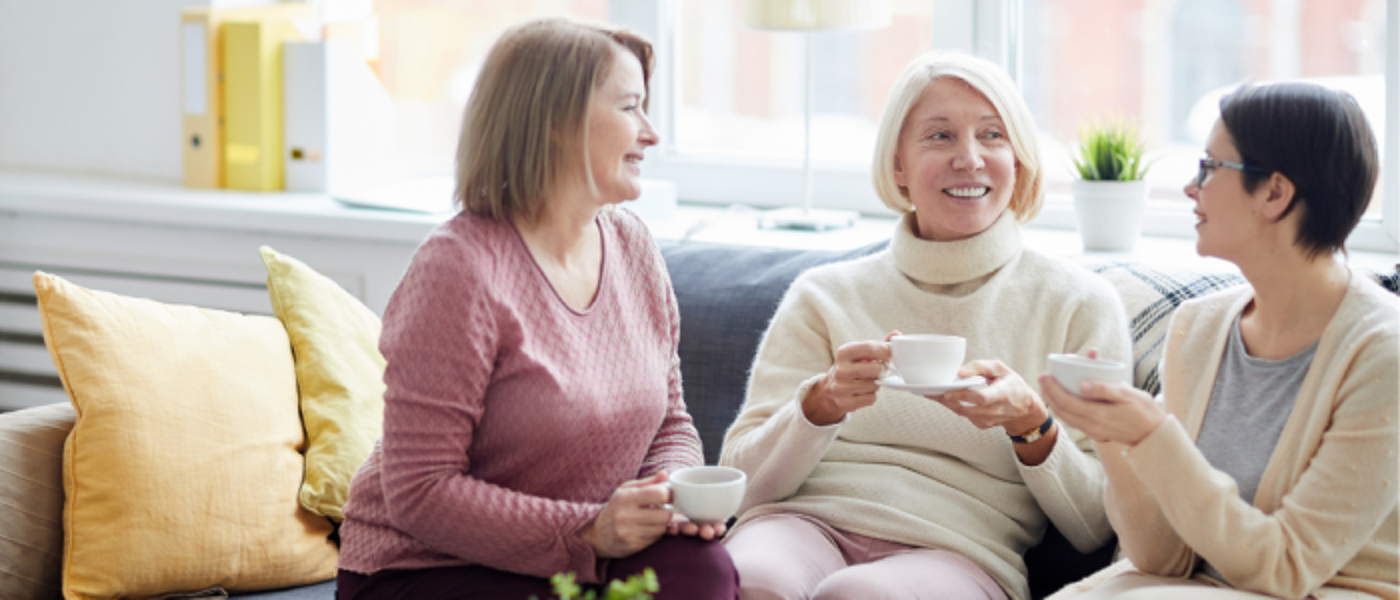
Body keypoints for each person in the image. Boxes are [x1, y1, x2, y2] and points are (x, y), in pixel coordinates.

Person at [334, 18, 738, 600]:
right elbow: (419, 490)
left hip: (583, 553)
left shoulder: (632, 247)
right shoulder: (460, 269)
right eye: (630, 108)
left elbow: (671, 421)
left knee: (704, 570)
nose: (650, 134)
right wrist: (590, 531)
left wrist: (670, 490)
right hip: (426, 568)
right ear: (555, 122)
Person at [719, 51, 1132, 600]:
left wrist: (1031, 422)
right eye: (939, 137)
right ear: (897, 166)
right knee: (751, 581)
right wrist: (818, 405)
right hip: (799, 524)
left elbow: (1093, 527)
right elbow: (740, 489)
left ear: (1021, 160)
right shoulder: (825, 294)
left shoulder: (1079, 304)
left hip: (959, 550)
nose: (969, 158)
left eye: (992, 136)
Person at [1042, 83, 1398, 599]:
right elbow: (1161, 556)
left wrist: (1154, 436)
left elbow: (1286, 568)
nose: (1191, 187)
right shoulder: (1199, 327)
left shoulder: (1384, 353)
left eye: (1210, 167)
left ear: (1275, 193)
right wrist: (1115, 433)